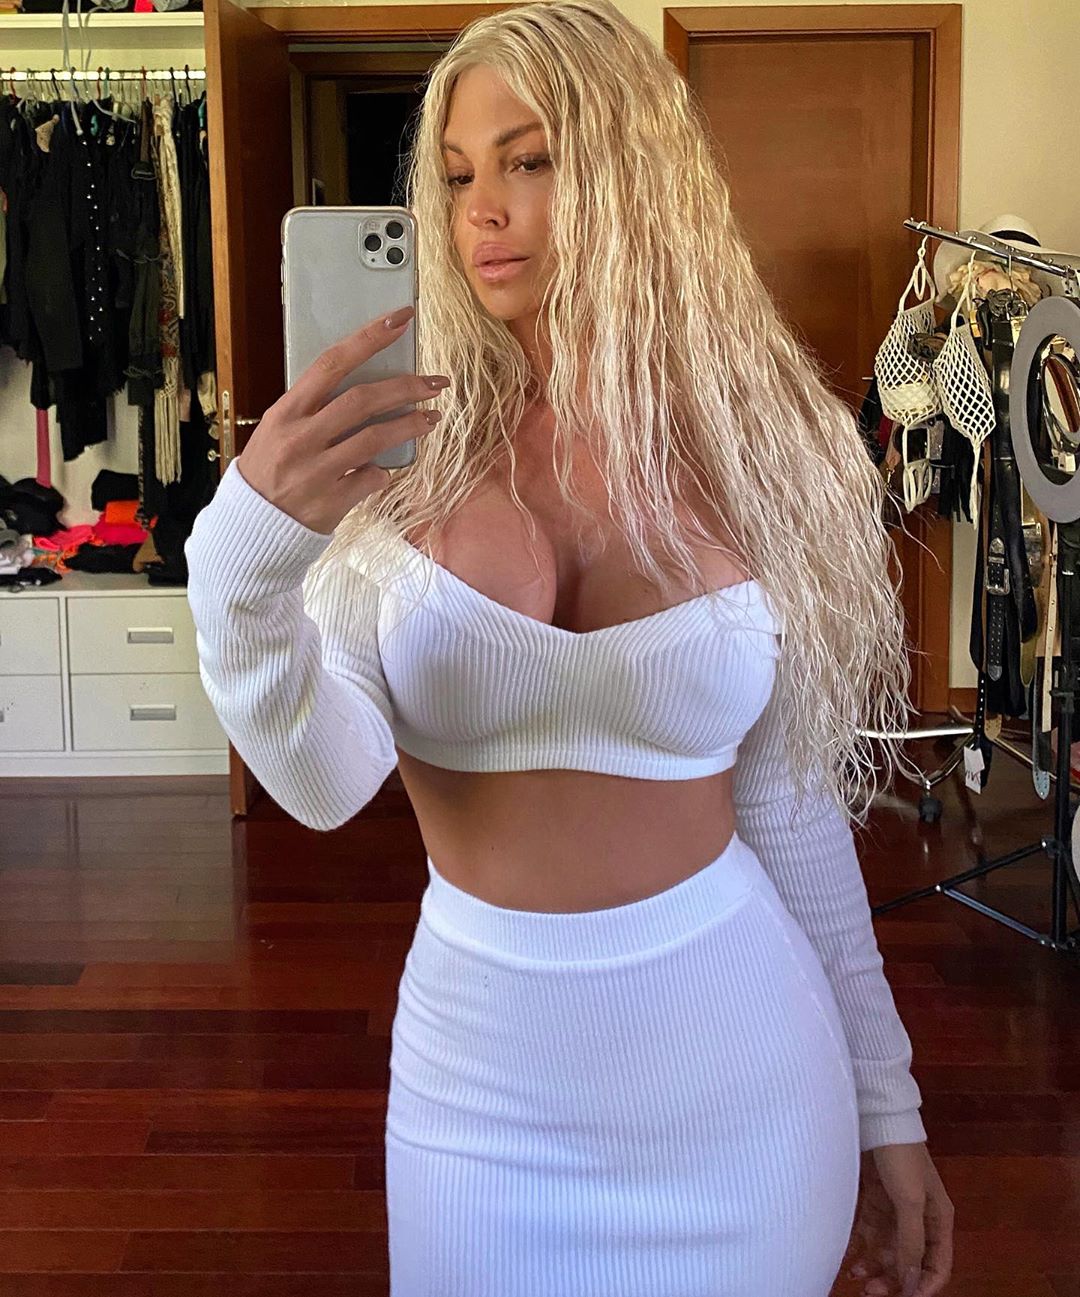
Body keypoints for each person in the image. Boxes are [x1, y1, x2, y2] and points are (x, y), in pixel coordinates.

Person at [185, 1, 954, 1293]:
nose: (481, 210)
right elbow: (320, 783)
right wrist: (242, 555)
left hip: (744, 1078)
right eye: (456, 177)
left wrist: (890, 1106)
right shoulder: (393, 462)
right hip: (483, 1100)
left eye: (528, 160)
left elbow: (789, 807)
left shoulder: (770, 449)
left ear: (630, 170)